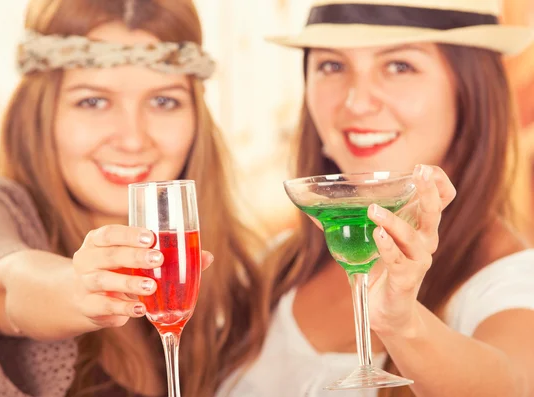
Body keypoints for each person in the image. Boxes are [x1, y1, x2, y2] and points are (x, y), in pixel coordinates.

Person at [0, 1, 265, 396]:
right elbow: (5, 286)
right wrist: (75, 288)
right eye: (93, 101)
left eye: (163, 101)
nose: (132, 139)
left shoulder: (225, 272)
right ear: (39, 111)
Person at [218, 1, 534, 396]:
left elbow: (516, 384)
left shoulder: (513, 281)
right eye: (332, 66)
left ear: (470, 91)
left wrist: (401, 322)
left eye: (399, 66)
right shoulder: (276, 267)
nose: (356, 102)